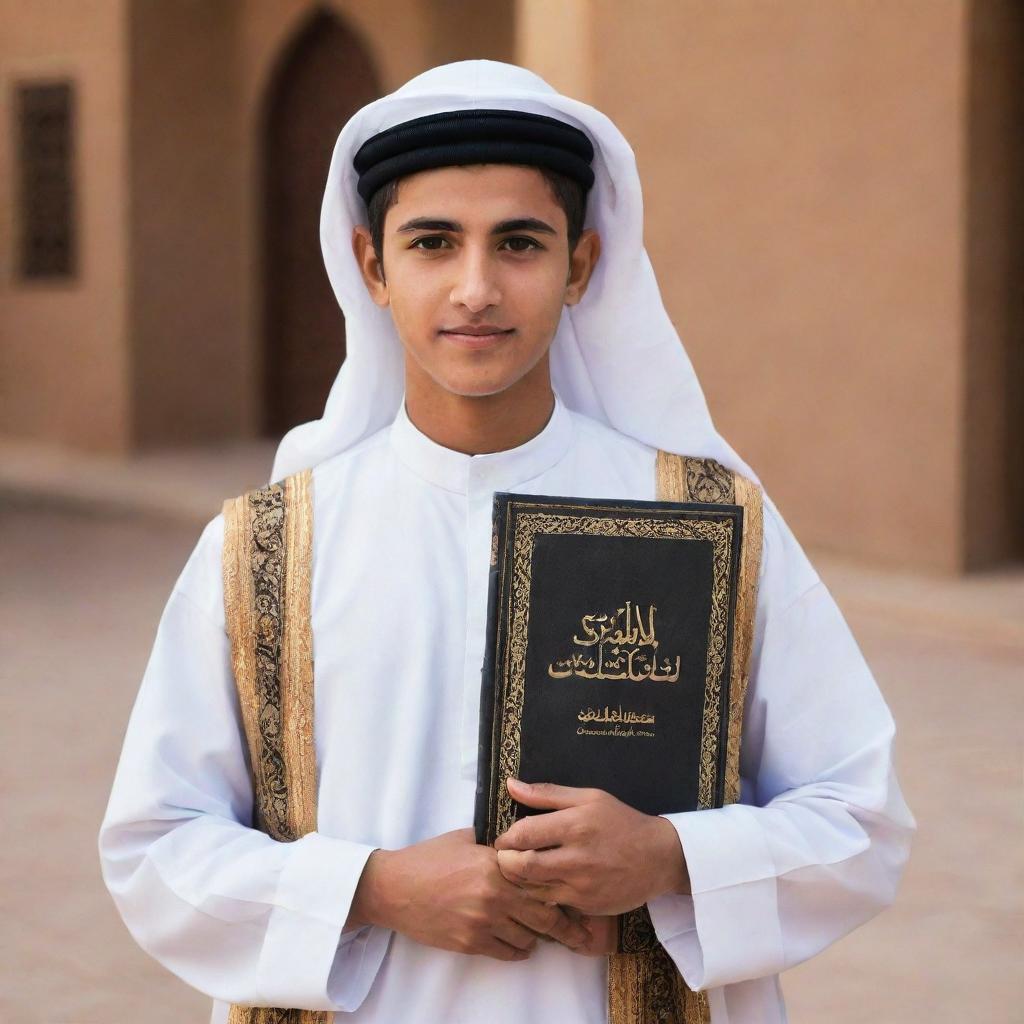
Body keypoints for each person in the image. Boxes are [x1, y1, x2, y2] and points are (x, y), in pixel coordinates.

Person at [98, 59, 914, 1024]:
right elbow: (155, 843)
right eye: (433, 243)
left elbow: (860, 816)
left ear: (579, 265)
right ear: (372, 266)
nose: (475, 287)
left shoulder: (705, 517)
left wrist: (670, 859)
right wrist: (374, 888)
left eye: (518, 243)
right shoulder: (266, 546)